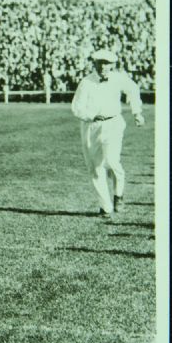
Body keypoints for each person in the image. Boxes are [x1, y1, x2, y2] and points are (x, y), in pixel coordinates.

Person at [71, 49, 145, 218]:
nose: (103, 67)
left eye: (107, 63)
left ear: (113, 65)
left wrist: (137, 112)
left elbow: (133, 90)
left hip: (113, 123)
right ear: (94, 64)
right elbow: (76, 107)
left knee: (112, 161)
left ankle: (119, 196)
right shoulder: (86, 82)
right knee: (95, 167)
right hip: (91, 126)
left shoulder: (118, 79)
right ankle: (105, 207)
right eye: (100, 63)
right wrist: (90, 116)